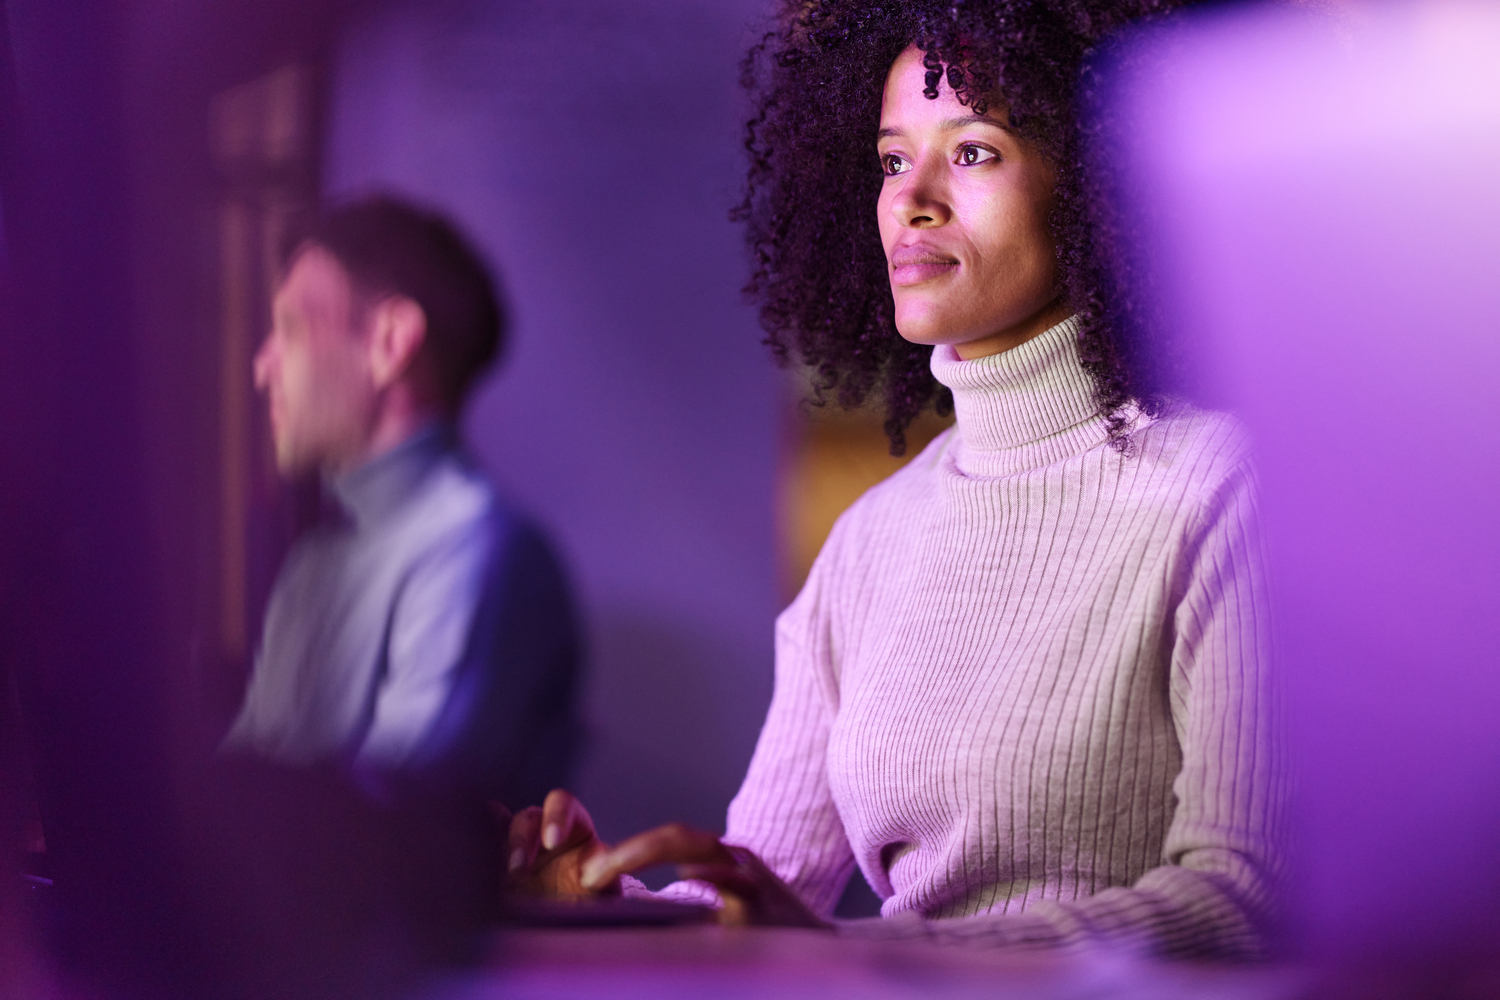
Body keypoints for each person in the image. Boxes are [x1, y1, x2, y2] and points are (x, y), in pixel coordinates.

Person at [505, 0, 1284, 960]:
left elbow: (1240, 899)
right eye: (889, 160)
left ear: (1096, 183)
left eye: (973, 152)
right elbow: (758, 898)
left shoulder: (1224, 491)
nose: (913, 198)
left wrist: (888, 958)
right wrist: (606, 902)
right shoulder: (870, 540)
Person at [222, 194, 581, 811]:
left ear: (390, 341)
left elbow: (394, 823)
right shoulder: (313, 565)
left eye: (290, 329)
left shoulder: (479, 548)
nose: (262, 367)